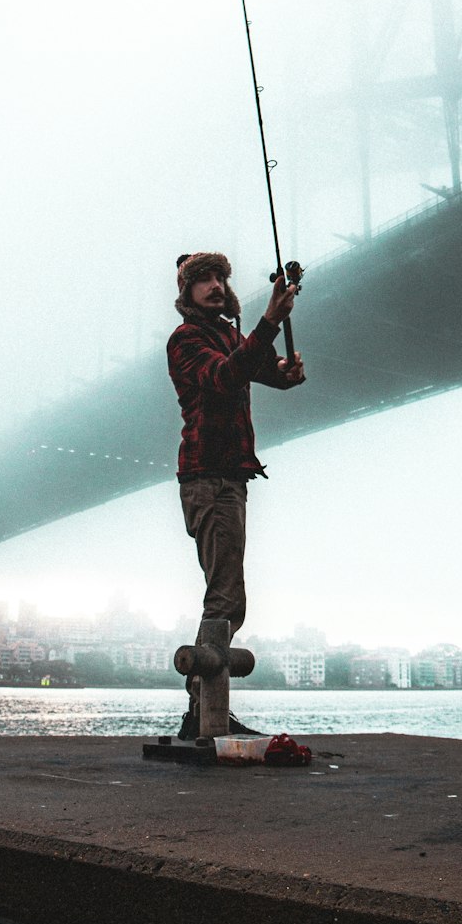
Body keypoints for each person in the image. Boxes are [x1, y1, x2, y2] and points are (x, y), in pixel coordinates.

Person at [167, 251, 305, 737]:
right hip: (207, 478)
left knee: (228, 598)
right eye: (202, 279)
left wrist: (285, 374)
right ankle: (203, 716)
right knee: (225, 598)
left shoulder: (228, 336)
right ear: (186, 293)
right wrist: (270, 320)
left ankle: (205, 714)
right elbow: (225, 376)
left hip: (231, 477)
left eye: (220, 277)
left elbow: (259, 368)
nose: (215, 285)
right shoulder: (185, 340)